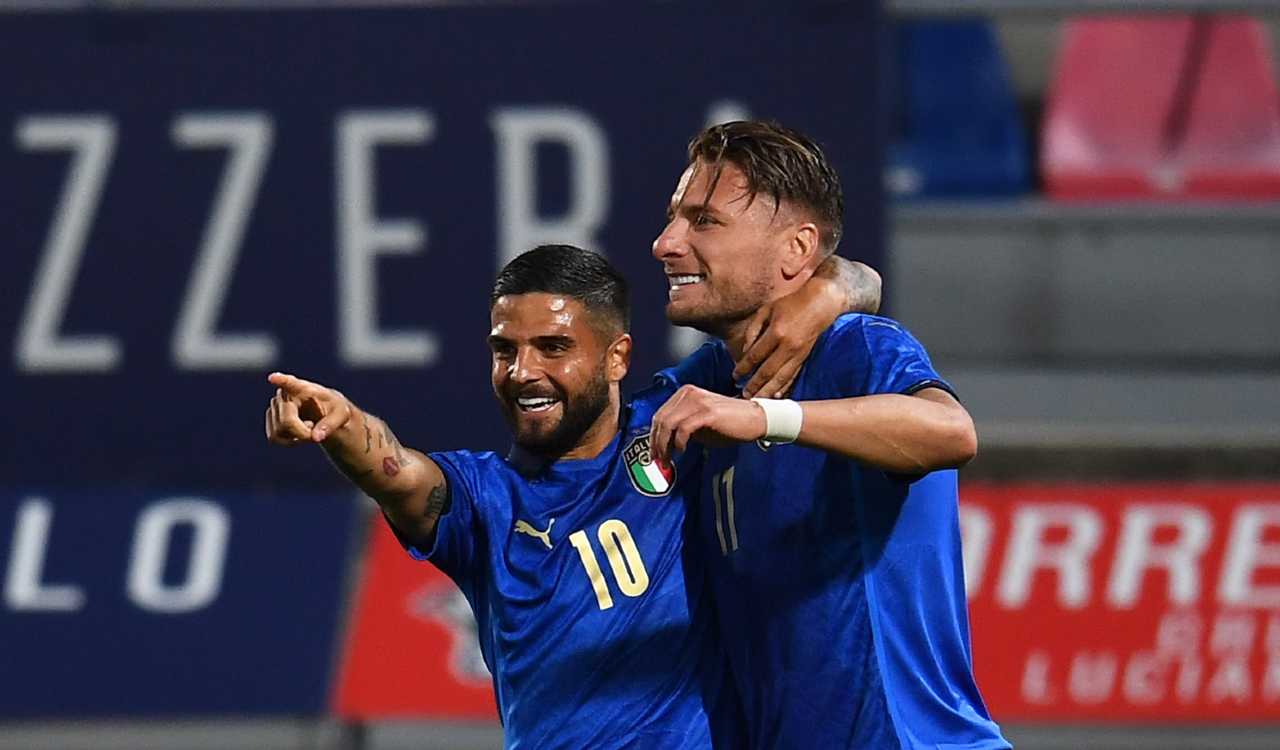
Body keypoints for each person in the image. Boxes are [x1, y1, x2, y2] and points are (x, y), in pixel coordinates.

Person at [262, 244, 877, 748]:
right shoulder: (484, 500)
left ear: (617, 358)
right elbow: (398, 473)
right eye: (504, 350)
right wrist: (341, 426)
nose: (522, 372)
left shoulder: (683, 414)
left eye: (553, 348)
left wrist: (824, 293)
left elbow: (861, 283)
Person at [648, 121, 1011, 750]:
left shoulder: (854, 348)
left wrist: (770, 418)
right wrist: (844, 281)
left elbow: (951, 432)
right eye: (674, 218)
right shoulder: (710, 381)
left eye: (703, 221)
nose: (665, 243)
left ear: (797, 249)